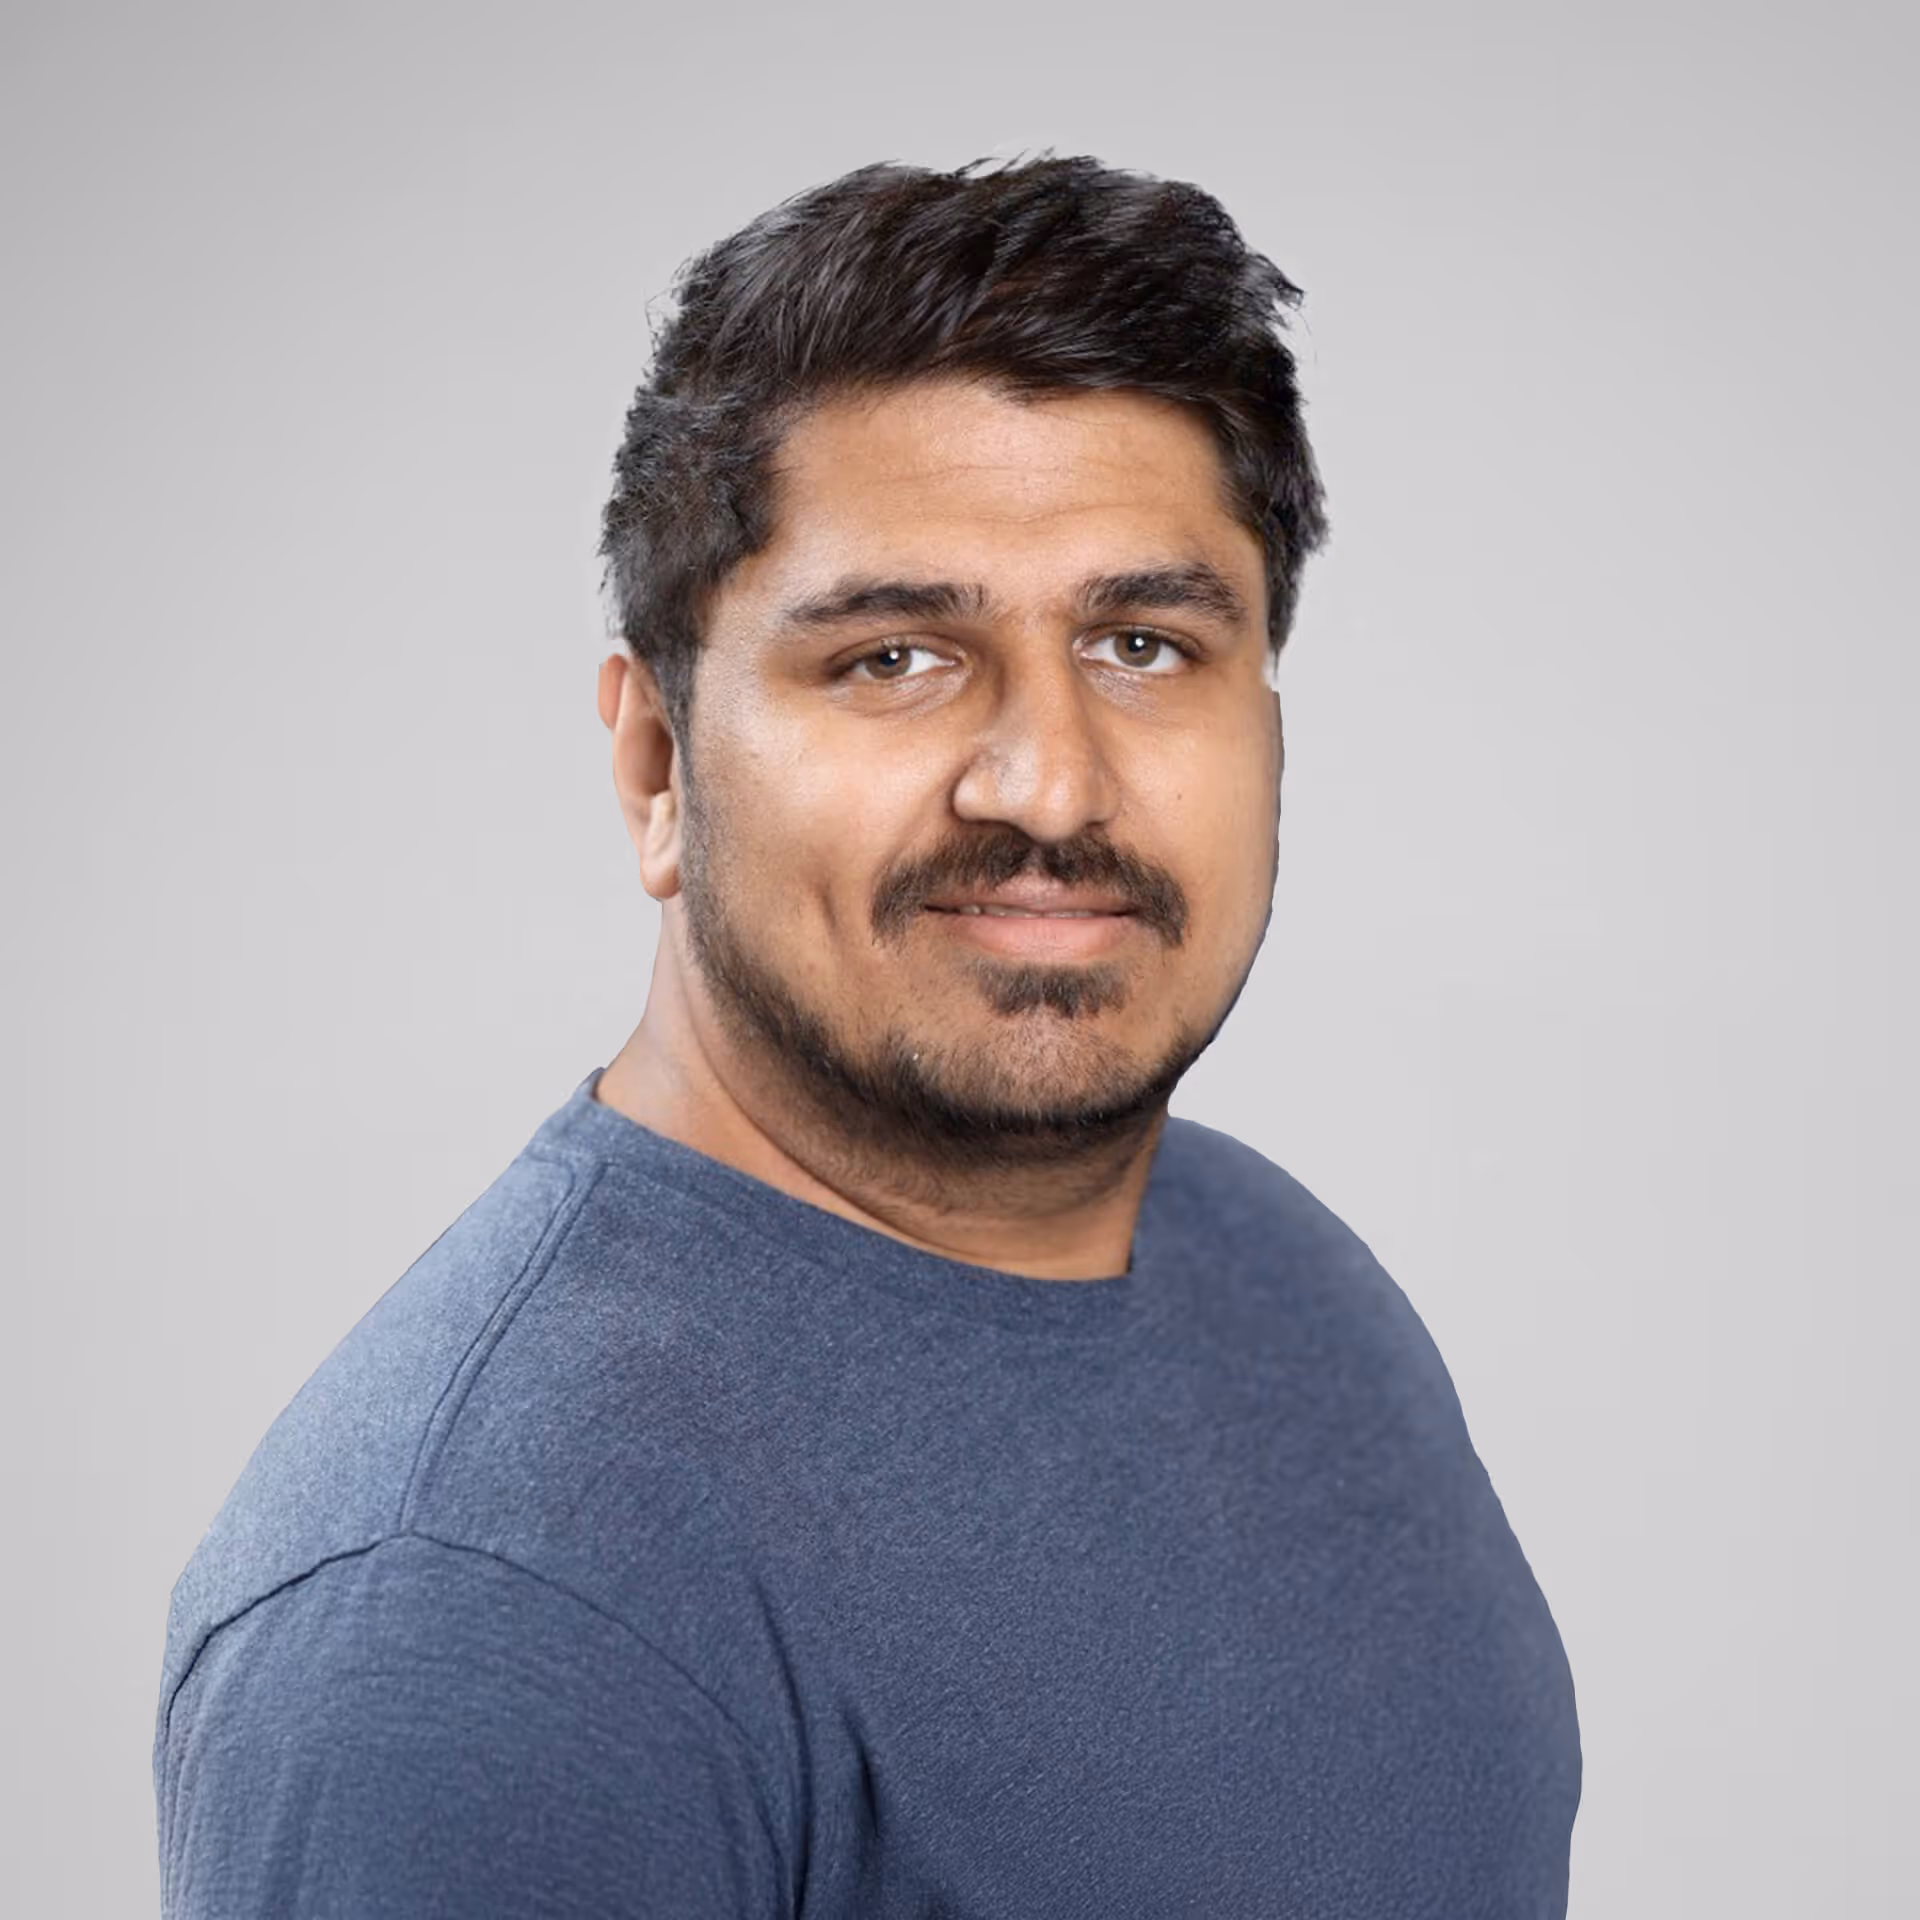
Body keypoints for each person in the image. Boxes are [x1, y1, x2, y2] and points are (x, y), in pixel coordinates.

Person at [153, 154, 1581, 1917]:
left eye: (1142, 643)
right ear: (658, 767)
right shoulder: (483, 1619)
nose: (1050, 779)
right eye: (895, 657)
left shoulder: (1292, 1278)